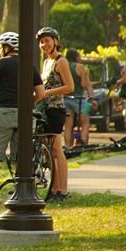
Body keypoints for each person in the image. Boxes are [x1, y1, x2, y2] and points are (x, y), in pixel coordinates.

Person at [0, 32, 45, 209]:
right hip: (25, 115)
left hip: (3, 113)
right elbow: (40, 94)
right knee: (21, 155)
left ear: (6, 47)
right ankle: (21, 190)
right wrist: (27, 103)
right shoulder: (30, 65)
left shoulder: (2, 64)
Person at [36, 27, 74, 202]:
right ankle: (54, 188)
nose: (44, 44)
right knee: (50, 152)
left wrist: (47, 93)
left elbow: (69, 87)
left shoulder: (61, 61)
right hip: (44, 109)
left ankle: (62, 190)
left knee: (57, 150)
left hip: (56, 109)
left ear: (55, 41)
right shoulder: (45, 63)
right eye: (41, 42)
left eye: (47, 40)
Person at [63, 49, 97, 148]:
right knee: (85, 123)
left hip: (66, 99)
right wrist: (92, 99)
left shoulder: (64, 66)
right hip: (81, 100)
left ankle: (67, 147)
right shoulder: (80, 67)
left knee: (68, 126)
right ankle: (82, 144)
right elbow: (84, 84)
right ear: (76, 57)